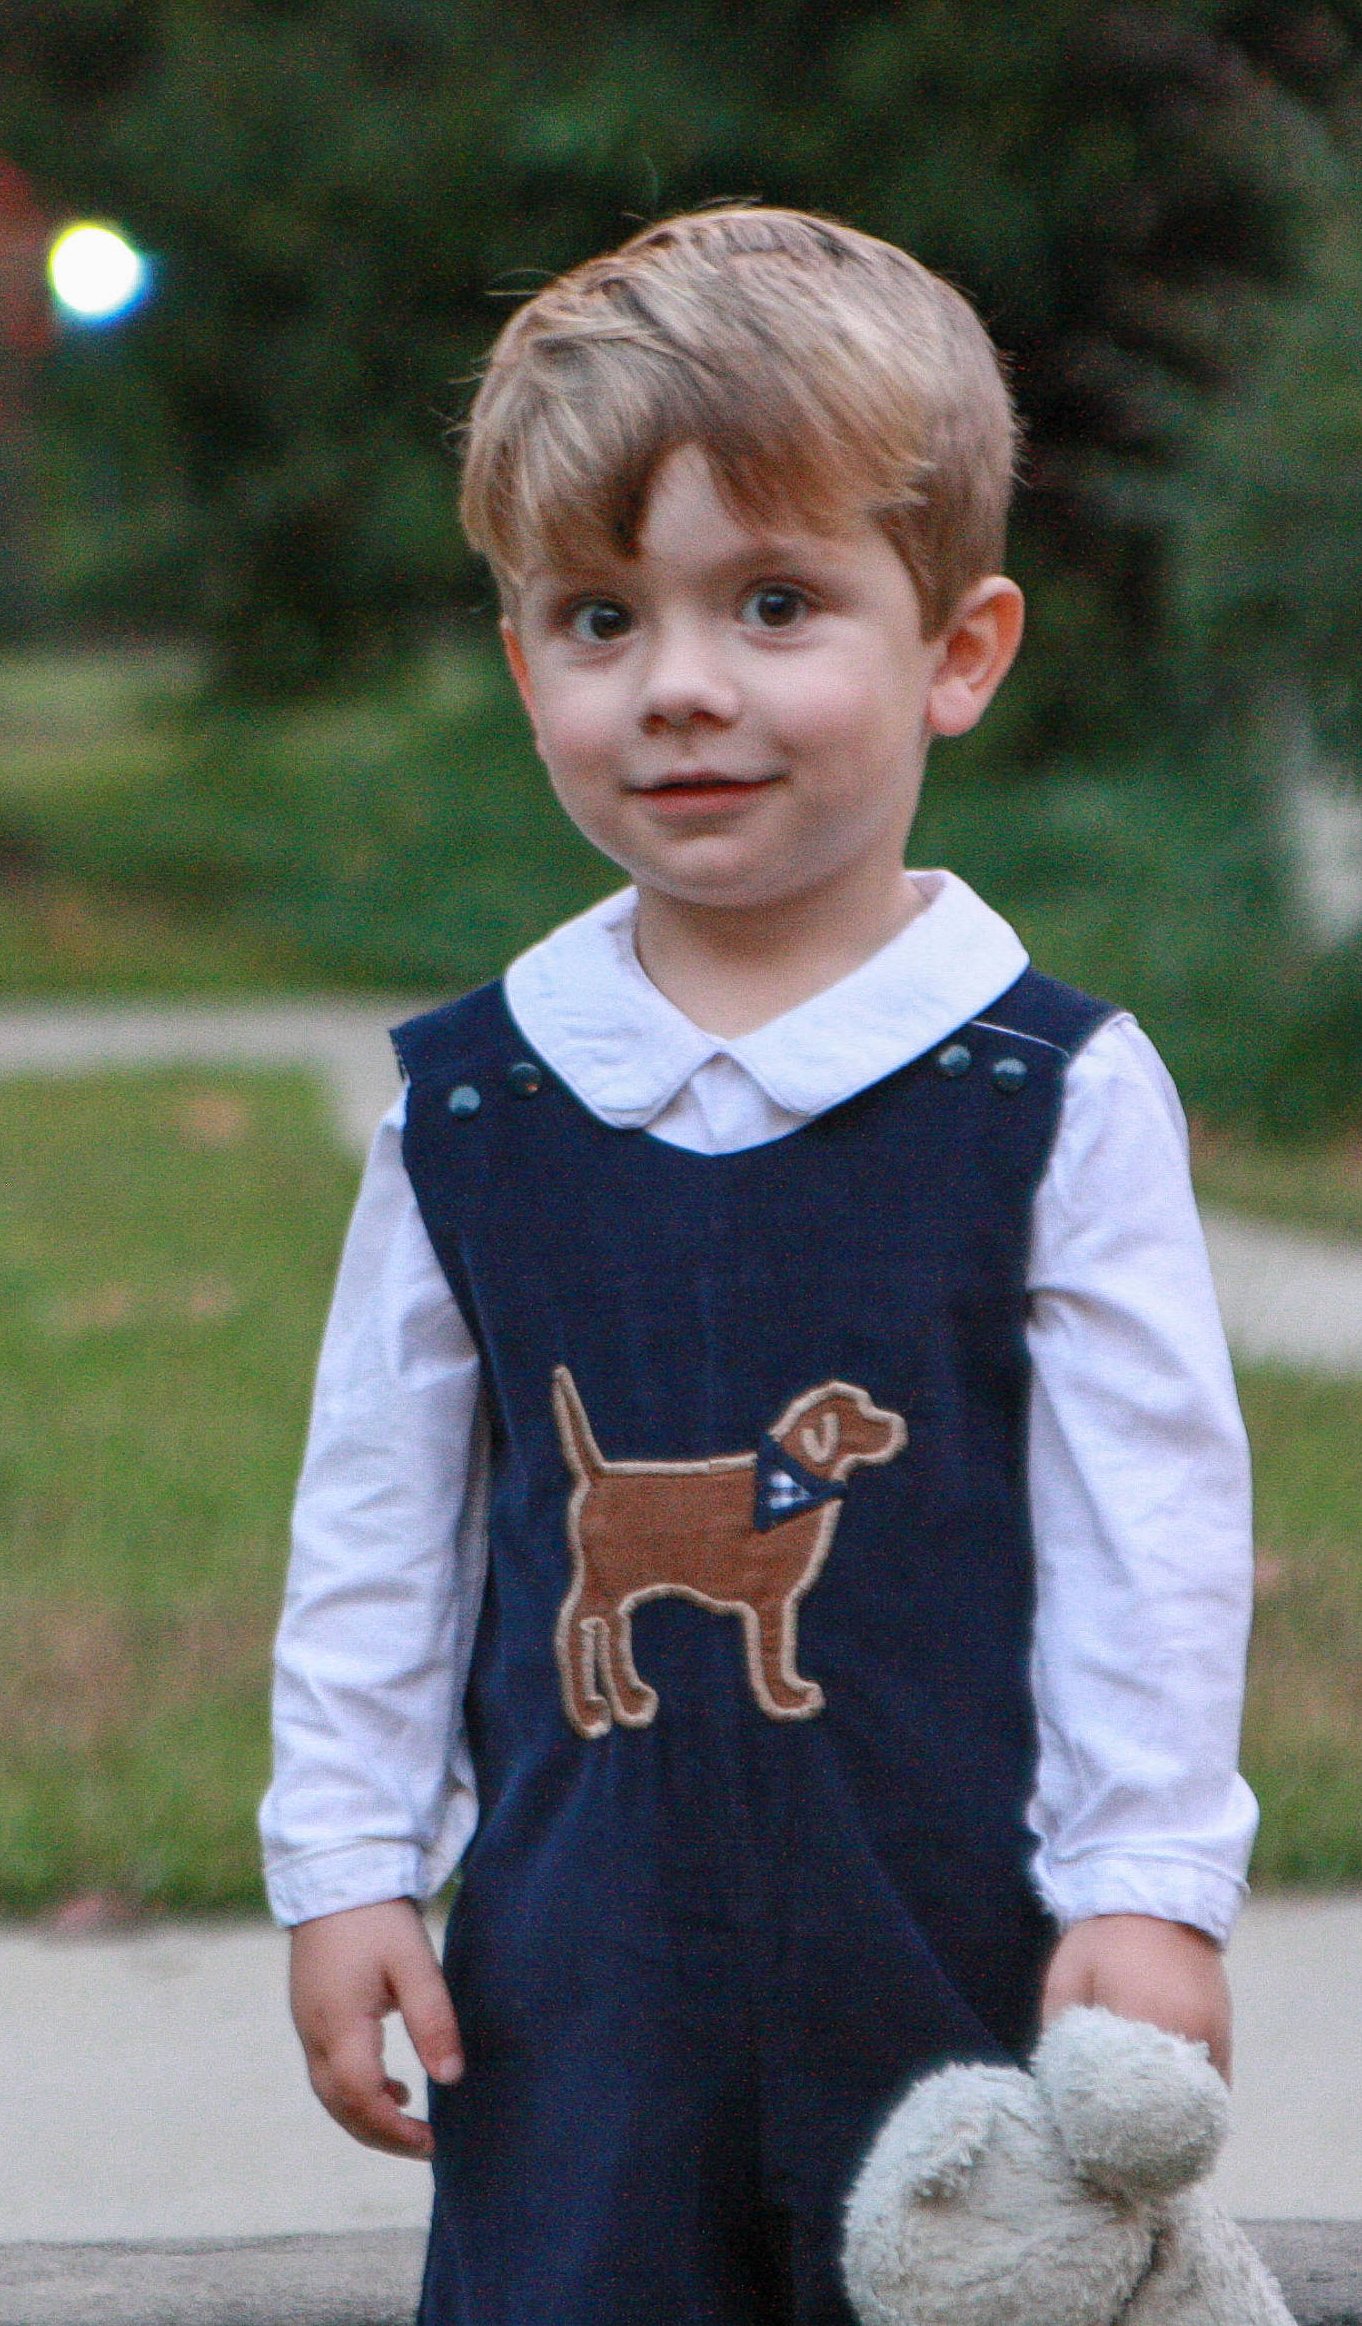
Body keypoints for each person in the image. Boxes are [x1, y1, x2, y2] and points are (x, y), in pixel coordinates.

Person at [260, 204, 1257, 2326]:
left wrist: (1153, 1888)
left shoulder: (1049, 1093)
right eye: (600, 616)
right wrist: (346, 1861)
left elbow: (1151, 1527)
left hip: (956, 1961)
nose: (683, 684)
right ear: (525, 666)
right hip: (573, 1988)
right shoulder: (474, 1107)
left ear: (959, 651)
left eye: (776, 602)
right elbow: (376, 1522)